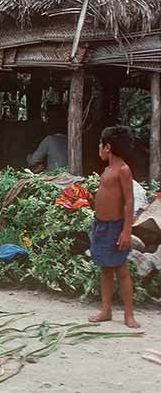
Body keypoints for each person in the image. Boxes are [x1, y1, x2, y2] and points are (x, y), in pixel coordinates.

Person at [88, 125, 139, 328]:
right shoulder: (108, 169)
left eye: (100, 144)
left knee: (122, 270)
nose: (98, 148)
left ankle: (129, 315)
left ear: (107, 147)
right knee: (105, 269)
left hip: (115, 227)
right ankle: (106, 310)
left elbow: (129, 202)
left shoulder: (123, 170)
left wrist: (126, 230)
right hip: (100, 226)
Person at [27, 105, 68, 171]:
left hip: (54, 178)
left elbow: (31, 162)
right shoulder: (70, 140)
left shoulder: (49, 140)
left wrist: (30, 152)